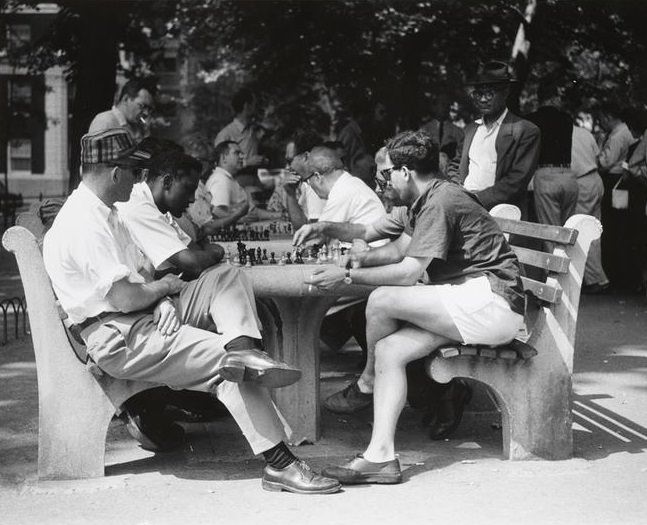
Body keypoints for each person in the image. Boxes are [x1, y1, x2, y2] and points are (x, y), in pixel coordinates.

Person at [43, 128, 340, 494]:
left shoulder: (107, 212)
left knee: (225, 278)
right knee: (229, 365)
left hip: (137, 317)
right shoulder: (84, 223)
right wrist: (163, 292)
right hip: (119, 337)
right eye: (134, 172)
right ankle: (281, 464)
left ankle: (244, 348)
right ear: (114, 172)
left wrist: (163, 297)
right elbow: (124, 298)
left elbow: (143, 277)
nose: (140, 180)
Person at [306, 130, 524, 485]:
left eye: (388, 172)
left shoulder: (441, 201)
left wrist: (345, 276)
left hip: (491, 302)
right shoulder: (423, 202)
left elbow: (408, 273)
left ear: (405, 171)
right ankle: (381, 457)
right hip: (466, 300)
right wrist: (347, 255)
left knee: (380, 299)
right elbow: (396, 251)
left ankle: (368, 380)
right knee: (391, 350)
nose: (385, 180)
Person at [449, 60, 540, 219]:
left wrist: (475, 200)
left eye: (489, 93)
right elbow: (455, 165)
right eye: (478, 94)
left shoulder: (526, 130)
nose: (483, 99)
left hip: (501, 215)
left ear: (505, 93)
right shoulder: (470, 130)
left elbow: (516, 182)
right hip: (463, 210)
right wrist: (459, 193)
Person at [526, 85, 578, 227]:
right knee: (569, 229)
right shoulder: (567, 119)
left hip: (545, 175)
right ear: (553, 99)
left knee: (550, 230)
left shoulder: (531, 120)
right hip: (568, 175)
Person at [596, 104, 636, 288]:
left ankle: (616, 272)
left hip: (613, 179)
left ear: (608, 116)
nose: (601, 124)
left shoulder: (618, 135)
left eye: (601, 119)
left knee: (612, 227)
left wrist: (595, 158)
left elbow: (606, 162)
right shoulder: (623, 132)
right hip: (620, 180)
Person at [571, 124, 610, 294]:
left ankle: (596, 279)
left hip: (581, 182)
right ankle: (596, 277)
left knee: (583, 231)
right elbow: (597, 157)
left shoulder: (562, 134)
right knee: (594, 230)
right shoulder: (584, 133)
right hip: (595, 179)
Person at [205, 140, 281, 226]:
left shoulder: (229, 179)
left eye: (242, 153)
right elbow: (216, 212)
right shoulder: (221, 180)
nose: (242, 156)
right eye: (237, 153)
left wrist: (278, 215)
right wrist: (239, 219)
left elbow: (253, 211)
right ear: (223, 158)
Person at [214, 87, 266, 170]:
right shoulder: (225, 134)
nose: (257, 108)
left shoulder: (255, 130)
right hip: (236, 180)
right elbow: (220, 165)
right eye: (255, 105)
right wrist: (247, 162)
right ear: (246, 106)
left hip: (256, 178)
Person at [88, 79, 155, 142]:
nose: (146, 113)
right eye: (142, 106)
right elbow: (95, 153)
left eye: (149, 109)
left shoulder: (141, 127)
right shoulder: (105, 121)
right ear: (125, 99)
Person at [420, 94, 465, 174]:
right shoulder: (424, 130)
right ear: (434, 107)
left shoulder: (458, 132)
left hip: (450, 173)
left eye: (447, 105)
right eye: (442, 104)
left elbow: (462, 155)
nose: (445, 108)